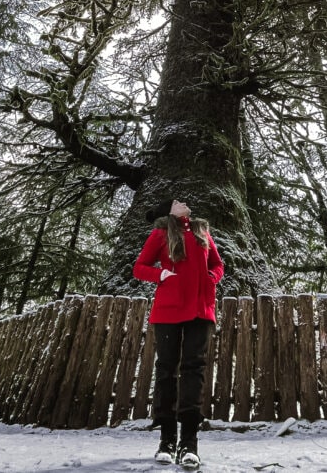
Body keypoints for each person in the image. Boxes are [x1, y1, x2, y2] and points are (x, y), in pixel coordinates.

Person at [133, 198, 224, 469]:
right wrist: (160, 276)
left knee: (194, 369)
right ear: (169, 212)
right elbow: (139, 267)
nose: (182, 202)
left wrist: (211, 279)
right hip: (169, 309)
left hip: (200, 309)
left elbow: (218, 264)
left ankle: (190, 442)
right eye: (176, 202)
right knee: (166, 369)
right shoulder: (160, 233)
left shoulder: (201, 232)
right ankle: (167, 439)